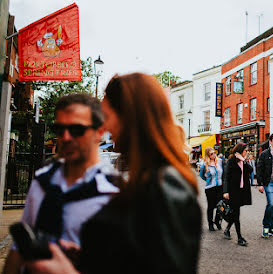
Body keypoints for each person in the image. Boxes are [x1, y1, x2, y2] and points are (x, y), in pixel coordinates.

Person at [26, 73, 201, 274]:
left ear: (131, 117)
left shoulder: (166, 185)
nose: (105, 127)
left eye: (107, 117)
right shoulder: (148, 180)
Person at [3, 93, 120, 274]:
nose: (65, 137)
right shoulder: (42, 181)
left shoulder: (114, 194)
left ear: (99, 132)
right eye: (60, 129)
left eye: (76, 130)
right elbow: (20, 247)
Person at [222, 143, 253, 246]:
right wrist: (225, 191)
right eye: (245, 151)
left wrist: (243, 160)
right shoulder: (231, 161)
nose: (247, 153)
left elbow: (251, 170)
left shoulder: (243, 162)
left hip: (242, 191)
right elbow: (226, 177)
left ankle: (227, 229)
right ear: (240, 151)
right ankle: (240, 238)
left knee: (235, 214)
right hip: (233, 191)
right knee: (237, 214)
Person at [199, 147, 224, 231]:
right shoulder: (204, 165)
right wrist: (208, 180)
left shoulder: (220, 161)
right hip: (210, 188)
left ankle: (217, 221)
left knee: (220, 206)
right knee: (211, 206)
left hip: (220, 187)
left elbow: (223, 172)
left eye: (214, 153)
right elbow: (201, 175)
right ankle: (210, 224)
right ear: (208, 155)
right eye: (211, 154)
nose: (214, 155)